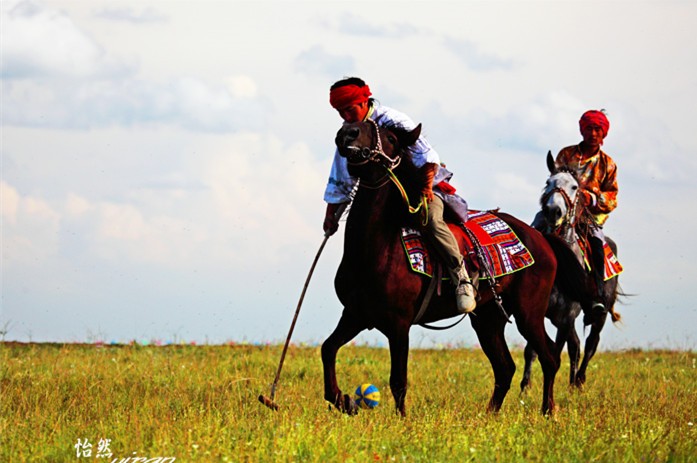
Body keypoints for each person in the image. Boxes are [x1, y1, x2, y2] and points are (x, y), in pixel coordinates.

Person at [323, 77, 476, 313]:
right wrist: (332, 215)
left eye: (349, 109)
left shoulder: (392, 120)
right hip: (383, 195)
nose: (345, 116)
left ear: (364, 101)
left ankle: (461, 276)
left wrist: (425, 190)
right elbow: (341, 176)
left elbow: (428, 158)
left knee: (431, 220)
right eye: (340, 112)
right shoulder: (349, 132)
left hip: (419, 186)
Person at [555, 110, 618, 312]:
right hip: (562, 210)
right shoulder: (566, 154)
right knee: (533, 232)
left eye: (597, 129)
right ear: (582, 130)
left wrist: (593, 198)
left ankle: (598, 294)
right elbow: (555, 180)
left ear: (604, 133)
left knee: (597, 245)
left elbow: (612, 197)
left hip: (589, 216)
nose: (593, 133)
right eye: (589, 128)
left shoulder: (607, 164)